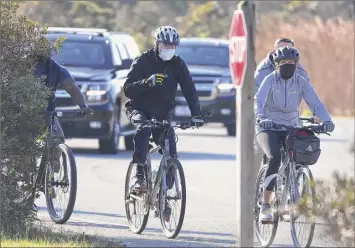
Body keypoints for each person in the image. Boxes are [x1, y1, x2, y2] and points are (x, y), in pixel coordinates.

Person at [123, 26, 204, 220]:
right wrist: (147, 82)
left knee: (171, 150)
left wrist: (197, 115)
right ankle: (139, 177)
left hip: (162, 113)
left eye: (172, 45)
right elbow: (127, 89)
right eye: (165, 44)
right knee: (143, 130)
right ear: (157, 44)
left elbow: (189, 90)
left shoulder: (178, 65)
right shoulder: (143, 60)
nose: (169, 48)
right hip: (139, 109)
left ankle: (164, 196)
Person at [254, 46, 335, 222]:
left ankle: (293, 194)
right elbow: (258, 101)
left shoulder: (301, 82)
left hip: (291, 126)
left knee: (299, 157)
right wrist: (261, 117)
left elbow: (316, 104)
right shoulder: (269, 80)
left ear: (297, 65)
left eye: (291, 63)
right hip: (268, 126)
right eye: (283, 63)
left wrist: (326, 121)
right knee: (274, 157)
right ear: (276, 65)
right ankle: (265, 205)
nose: (287, 66)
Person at [31, 38, 93, 196]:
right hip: (26, 114)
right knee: (27, 148)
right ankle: (28, 181)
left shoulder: (56, 69)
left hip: (48, 114)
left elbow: (72, 88)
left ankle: (49, 177)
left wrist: (83, 106)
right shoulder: (24, 67)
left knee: (58, 139)